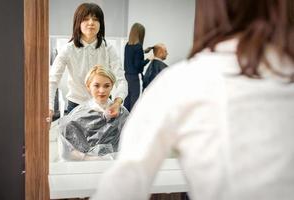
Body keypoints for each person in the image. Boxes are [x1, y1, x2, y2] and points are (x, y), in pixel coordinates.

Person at [92, 0, 294, 199]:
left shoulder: (176, 82)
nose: (166, 53)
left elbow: (123, 184)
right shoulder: (173, 78)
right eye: (164, 51)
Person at [49, 3, 127, 121]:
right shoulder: (68, 49)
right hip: (76, 106)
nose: (91, 23)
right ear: (78, 23)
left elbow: (121, 80)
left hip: (104, 107)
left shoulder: (108, 49)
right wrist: (49, 108)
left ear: (101, 24)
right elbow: (53, 80)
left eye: (95, 19)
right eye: (85, 19)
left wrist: (117, 102)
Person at [58, 65, 129, 161]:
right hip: (87, 168)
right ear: (88, 86)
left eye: (107, 86)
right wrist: (88, 158)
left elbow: (132, 144)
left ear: (112, 86)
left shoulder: (122, 113)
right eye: (96, 85)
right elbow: (66, 151)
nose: (102, 90)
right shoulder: (77, 115)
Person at [123, 22, 151, 111]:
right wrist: (149, 59)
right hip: (136, 77)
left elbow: (132, 56)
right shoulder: (138, 47)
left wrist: (143, 51)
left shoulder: (128, 45)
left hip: (127, 76)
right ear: (140, 34)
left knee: (127, 101)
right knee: (136, 103)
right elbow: (138, 65)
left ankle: (124, 122)